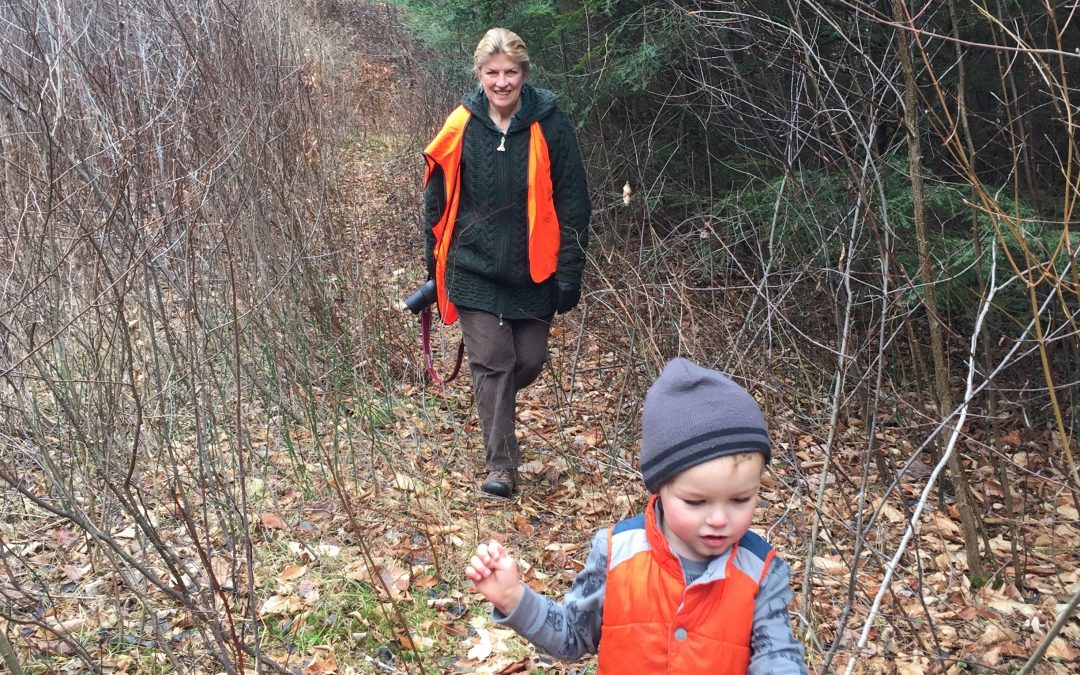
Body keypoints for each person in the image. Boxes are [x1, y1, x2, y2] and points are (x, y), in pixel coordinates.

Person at [464, 358, 808, 673]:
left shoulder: (761, 571)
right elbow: (572, 636)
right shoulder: (617, 553)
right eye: (696, 502)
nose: (719, 518)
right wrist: (513, 598)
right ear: (660, 488)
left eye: (740, 499)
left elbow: (777, 656)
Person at [422, 28, 590, 498]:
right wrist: (431, 269)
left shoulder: (551, 124)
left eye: (510, 72)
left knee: (528, 360)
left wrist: (570, 271)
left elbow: (575, 202)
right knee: (494, 361)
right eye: (492, 73)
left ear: (523, 75)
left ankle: (494, 407)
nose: (501, 82)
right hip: (471, 269)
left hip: (533, 269)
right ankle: (501, 466)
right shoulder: (461, 125)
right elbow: (435, 202)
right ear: (479, 75)